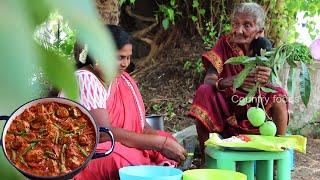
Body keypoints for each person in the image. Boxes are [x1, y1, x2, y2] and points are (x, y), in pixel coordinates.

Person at [70, 25, 186, 179]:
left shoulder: (123, 80)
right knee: (121, 158)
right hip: (84, 151)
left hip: (120, 142)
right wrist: (159, 143)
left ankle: (158, 170)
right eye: (119, 57)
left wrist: (160, 140)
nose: (125, 64)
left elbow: (141, 126)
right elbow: (104, 134)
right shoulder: (85, 78)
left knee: (168, 138)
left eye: (128, 57)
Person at [188, 2, 289, 162]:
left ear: (259, 32)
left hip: (256, 109)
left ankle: (278, 156)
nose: (239, 30)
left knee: (279, 96)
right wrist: (233, 81)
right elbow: (209, 80)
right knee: (204, 92)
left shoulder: (265, 49)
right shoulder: (224, 44)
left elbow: (274, 85)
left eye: (247, 25)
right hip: (228, 107)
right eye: (235, 24)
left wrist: (267, 76)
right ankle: (206, 158)